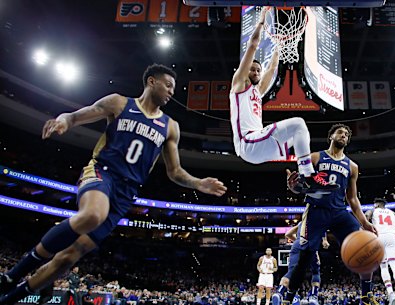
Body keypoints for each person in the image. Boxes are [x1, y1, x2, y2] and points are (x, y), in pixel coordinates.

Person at [0, 64, 227, 305]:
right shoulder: (119, 103)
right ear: (151, 82)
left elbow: (175, 172)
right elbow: (75, 115)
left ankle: (9, 298)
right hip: (102, 172)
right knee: (93, 214)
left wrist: (198, 183)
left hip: (126, 193)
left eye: (174, 88)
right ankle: (12, 276)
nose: (172, 92)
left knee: (68, 258)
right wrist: (64, 121)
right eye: (168, 86)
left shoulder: (170, 126)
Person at [229, 7, 337, 194]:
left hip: (257, 147)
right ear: (244, 71)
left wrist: (279, 45)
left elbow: (271, 69)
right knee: (298, 123)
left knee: (299, 135)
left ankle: (298, 182)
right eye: (252, 69)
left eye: (257, 70)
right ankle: (308, 175)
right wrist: (262, 22)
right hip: (248, 141)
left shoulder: (257, 92)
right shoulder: (238, 85)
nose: (255, 72)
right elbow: (253, 45)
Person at [278, 124, 376, 305]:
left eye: (347, 134)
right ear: (331, 136)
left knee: (365, 248)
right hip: (316, 210)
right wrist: (294, 187)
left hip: (339, 212)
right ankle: (288, 298)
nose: (344, 135)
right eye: (340, 132)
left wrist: (365, 222)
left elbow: (353, 199)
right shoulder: (315, 157)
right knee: (305, 257)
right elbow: (301, 184)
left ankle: (366, 296)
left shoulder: (352, 166)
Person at [273, 224, 330, 305]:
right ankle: (313, 296)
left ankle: (279, 293)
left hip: (297, 245)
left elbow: (288, 234)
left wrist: (299, 242)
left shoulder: (301, 223)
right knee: (315, 271)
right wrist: (324, 240)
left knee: (291, 272)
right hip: (310, 245)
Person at [366, 198, 395, 305]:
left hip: (379, 237)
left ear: (377, 205)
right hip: (392, 237)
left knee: (383, 266)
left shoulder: (373, 210)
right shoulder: (392, 213)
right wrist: (393, 233)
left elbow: (365, 217)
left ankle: (390, 293)